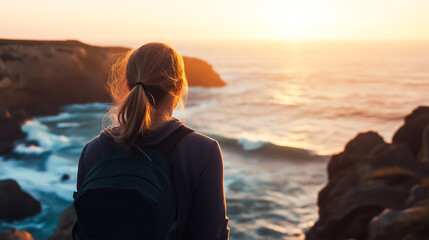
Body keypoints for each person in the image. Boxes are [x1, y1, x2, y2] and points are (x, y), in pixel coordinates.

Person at [75, 42, 229, 239]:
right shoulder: (202, 151)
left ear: (128, 85)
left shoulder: (93, 150)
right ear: (179, 86)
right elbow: (212, 235)